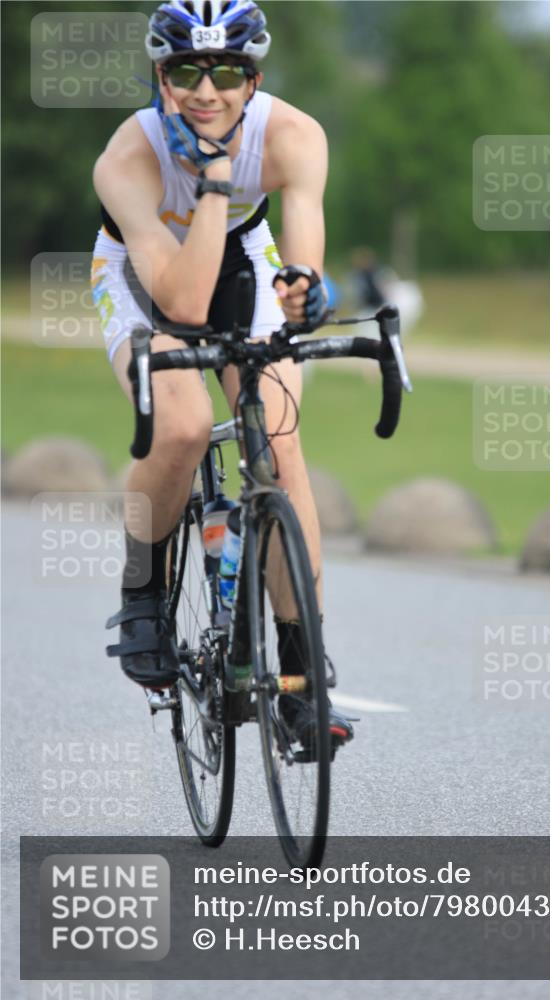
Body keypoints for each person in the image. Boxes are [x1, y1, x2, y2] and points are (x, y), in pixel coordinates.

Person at [91, 0, 353, 748]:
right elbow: (178, 298)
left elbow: (300, 253)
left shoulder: (295, 135)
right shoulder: (126, 158)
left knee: (277, 439)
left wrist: (304, 286)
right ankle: (142, 590)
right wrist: (211, 182)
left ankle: (304, 676)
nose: (208, 91)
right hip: (144, 274)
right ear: (160, 77)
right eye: (185, 72)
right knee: (179, 427)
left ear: (253, 77)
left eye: (228, 72)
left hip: (243, 253)